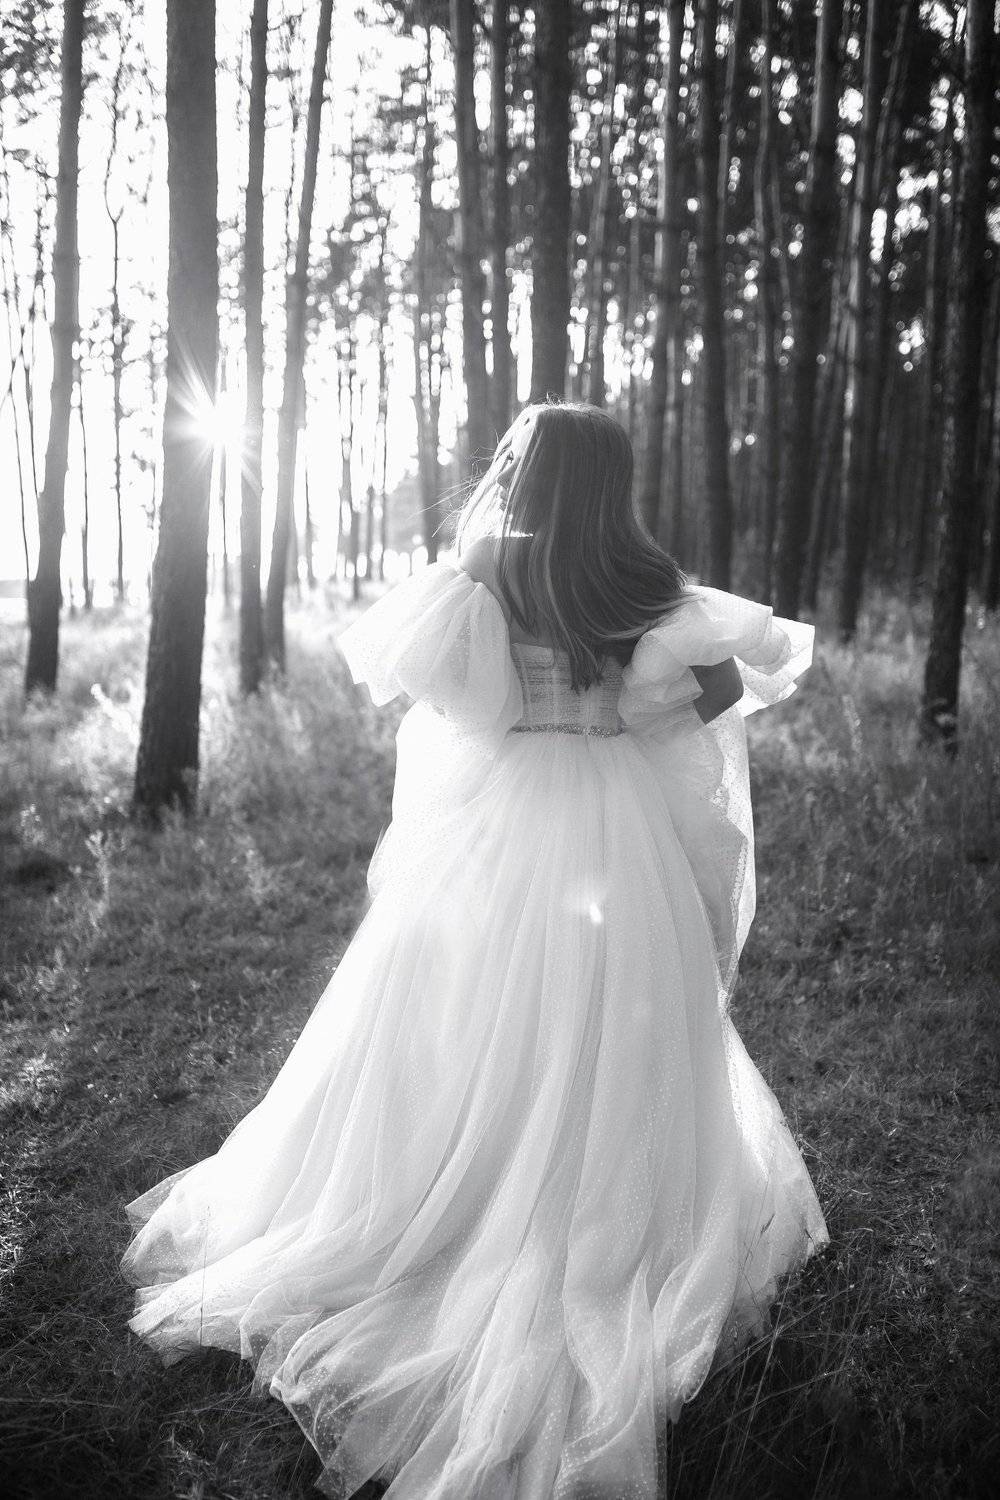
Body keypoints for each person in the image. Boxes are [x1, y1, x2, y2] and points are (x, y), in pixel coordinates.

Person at [121, 401, 828, 1500]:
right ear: (613, 481)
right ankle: (600, 1224)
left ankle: (437, 1203)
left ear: (523, 470)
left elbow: (459, 710)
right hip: (616, 823)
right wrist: (634, 701)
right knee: (616, 1023)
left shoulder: (486, 563)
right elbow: (716, 698)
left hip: (503, 818)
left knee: (454, 1015)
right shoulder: (646, 578)